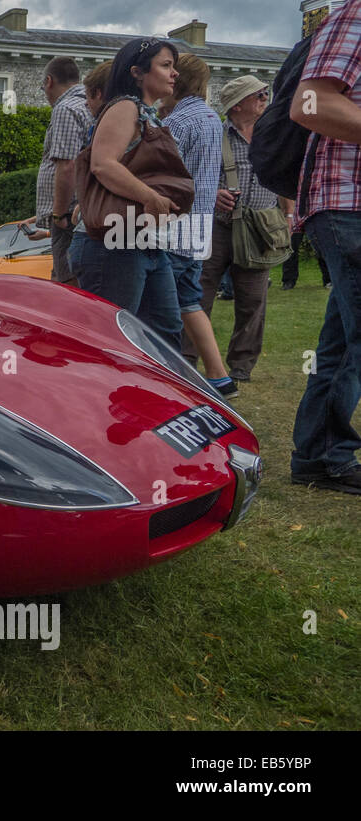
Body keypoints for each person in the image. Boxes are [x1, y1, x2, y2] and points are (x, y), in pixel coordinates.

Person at [289, 0, 361, 495]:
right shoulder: (356, 14)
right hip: (346, 204)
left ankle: (316, 456)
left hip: (347, 208)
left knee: (339, 346)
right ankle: (329, 456)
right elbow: (308, 104)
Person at [76, 38, 185, 349]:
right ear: (137, 72)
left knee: (164, 332)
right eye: (166, 65)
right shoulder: (125, 108)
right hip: (115, 244)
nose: (174, 73)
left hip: (140, 241)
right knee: (116, 338)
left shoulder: (147, 114)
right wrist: (150, 197)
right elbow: (102, 165)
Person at [195, 76, 284, 383]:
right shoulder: (213, 133)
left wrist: (288, 215)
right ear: (237, 105)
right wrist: (211, 194)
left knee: (253, 301)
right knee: (199, 294)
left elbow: (284, 174)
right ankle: (186, 359)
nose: (264, 97)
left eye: (265, 93)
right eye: (258, 94)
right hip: (218, 227)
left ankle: (242, 367)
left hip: (261, 228)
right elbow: (192, 175)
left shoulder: (271, 135)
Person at [162, 54, 237, 398]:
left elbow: (160, 171)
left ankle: (167, 374)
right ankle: (219, 375)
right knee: (189, 300)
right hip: (199, 226)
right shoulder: (212, 118)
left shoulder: (178, 122)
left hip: (173, 226)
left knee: (162, 305)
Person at [34, 57, 94, 287]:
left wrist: (58, 213)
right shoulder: (89, 105)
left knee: (67, 282)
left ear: (49, 81)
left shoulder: (66, 108)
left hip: (69, 214)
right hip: (83, 208)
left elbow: (67, 164)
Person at [66, 61, 113, 282]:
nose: (85, 104)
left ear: (100, 94)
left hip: (96, 235)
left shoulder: (105, 125)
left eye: (89, 97)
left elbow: (99, 169)